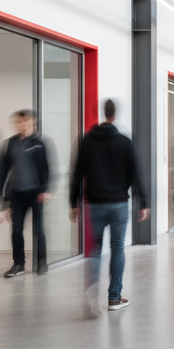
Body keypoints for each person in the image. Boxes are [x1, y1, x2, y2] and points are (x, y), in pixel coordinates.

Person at [69, 99, 149, 317]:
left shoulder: (86, 141)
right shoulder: (124, 142)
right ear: (114, 116)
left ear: (102, 114)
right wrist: (143, 202)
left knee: (95, 250)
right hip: (118, 204)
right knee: (117, 248)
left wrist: (73, 202)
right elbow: (136, 174)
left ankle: (92, 294)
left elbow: (77, 173)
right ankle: (114, 298)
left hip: (93, 203)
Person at [0, 109, 52, 278]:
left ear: (33, 122)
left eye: (26, 121)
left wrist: (45, 189)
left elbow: (46, 168)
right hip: (17, 194)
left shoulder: (39, 143)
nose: (22, 124)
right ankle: (18, 264)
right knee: (16, 229)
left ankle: (42, 262)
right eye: (19, 122)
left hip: (36, 193)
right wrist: (3, 199)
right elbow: (1, 171)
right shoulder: (10, 144)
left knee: (39, 229)